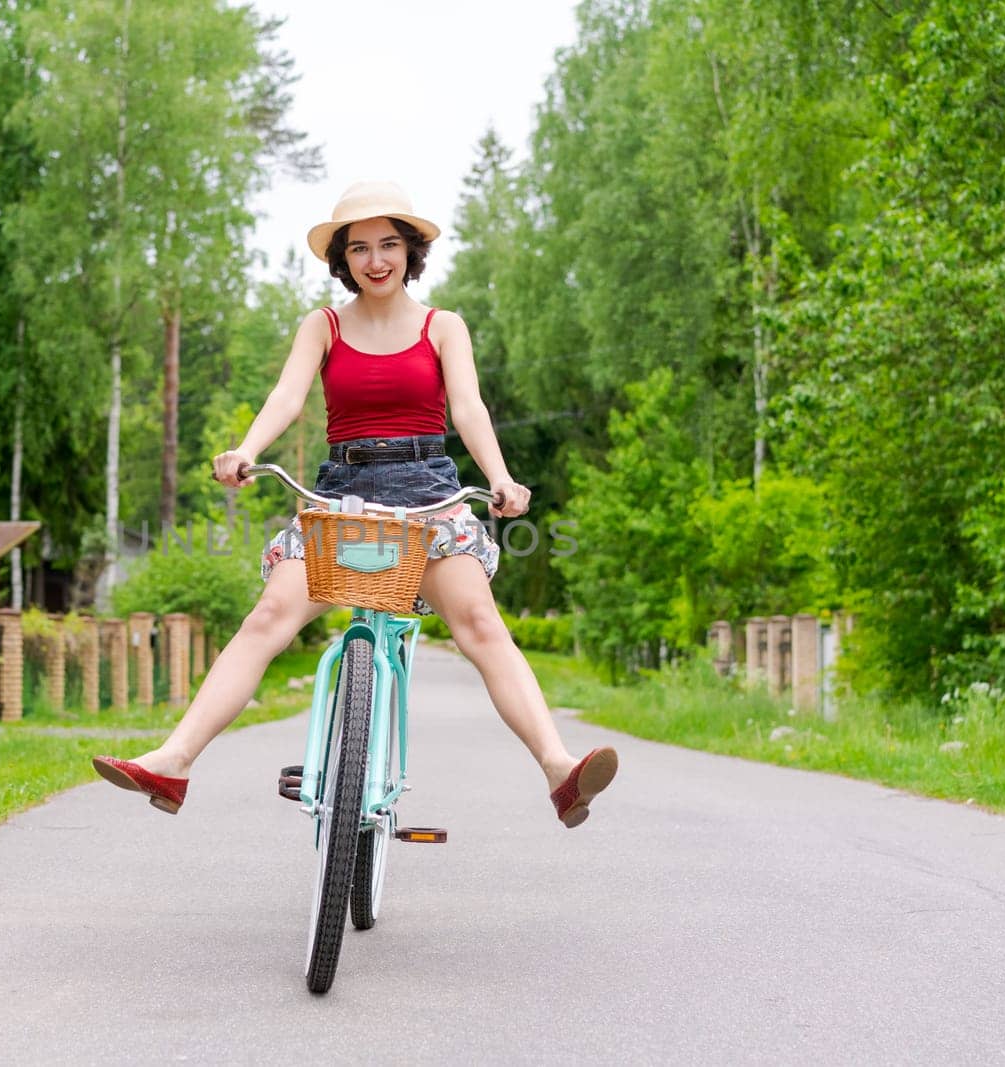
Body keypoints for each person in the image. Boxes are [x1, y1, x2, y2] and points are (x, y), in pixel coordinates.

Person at [93, 180, 617, 828]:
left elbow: (469, 408)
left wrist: (502, 478)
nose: (376, 260)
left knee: (480, 622)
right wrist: (246, 449)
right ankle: (173, 761)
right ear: (343, 258)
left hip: (430, 494)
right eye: (361, 247)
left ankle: (559, 769)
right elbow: (287, 397)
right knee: (269, 616)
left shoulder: (442, 326)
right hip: (343, 494)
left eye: (389, 245)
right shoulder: (324, 325)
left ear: (409, 251)